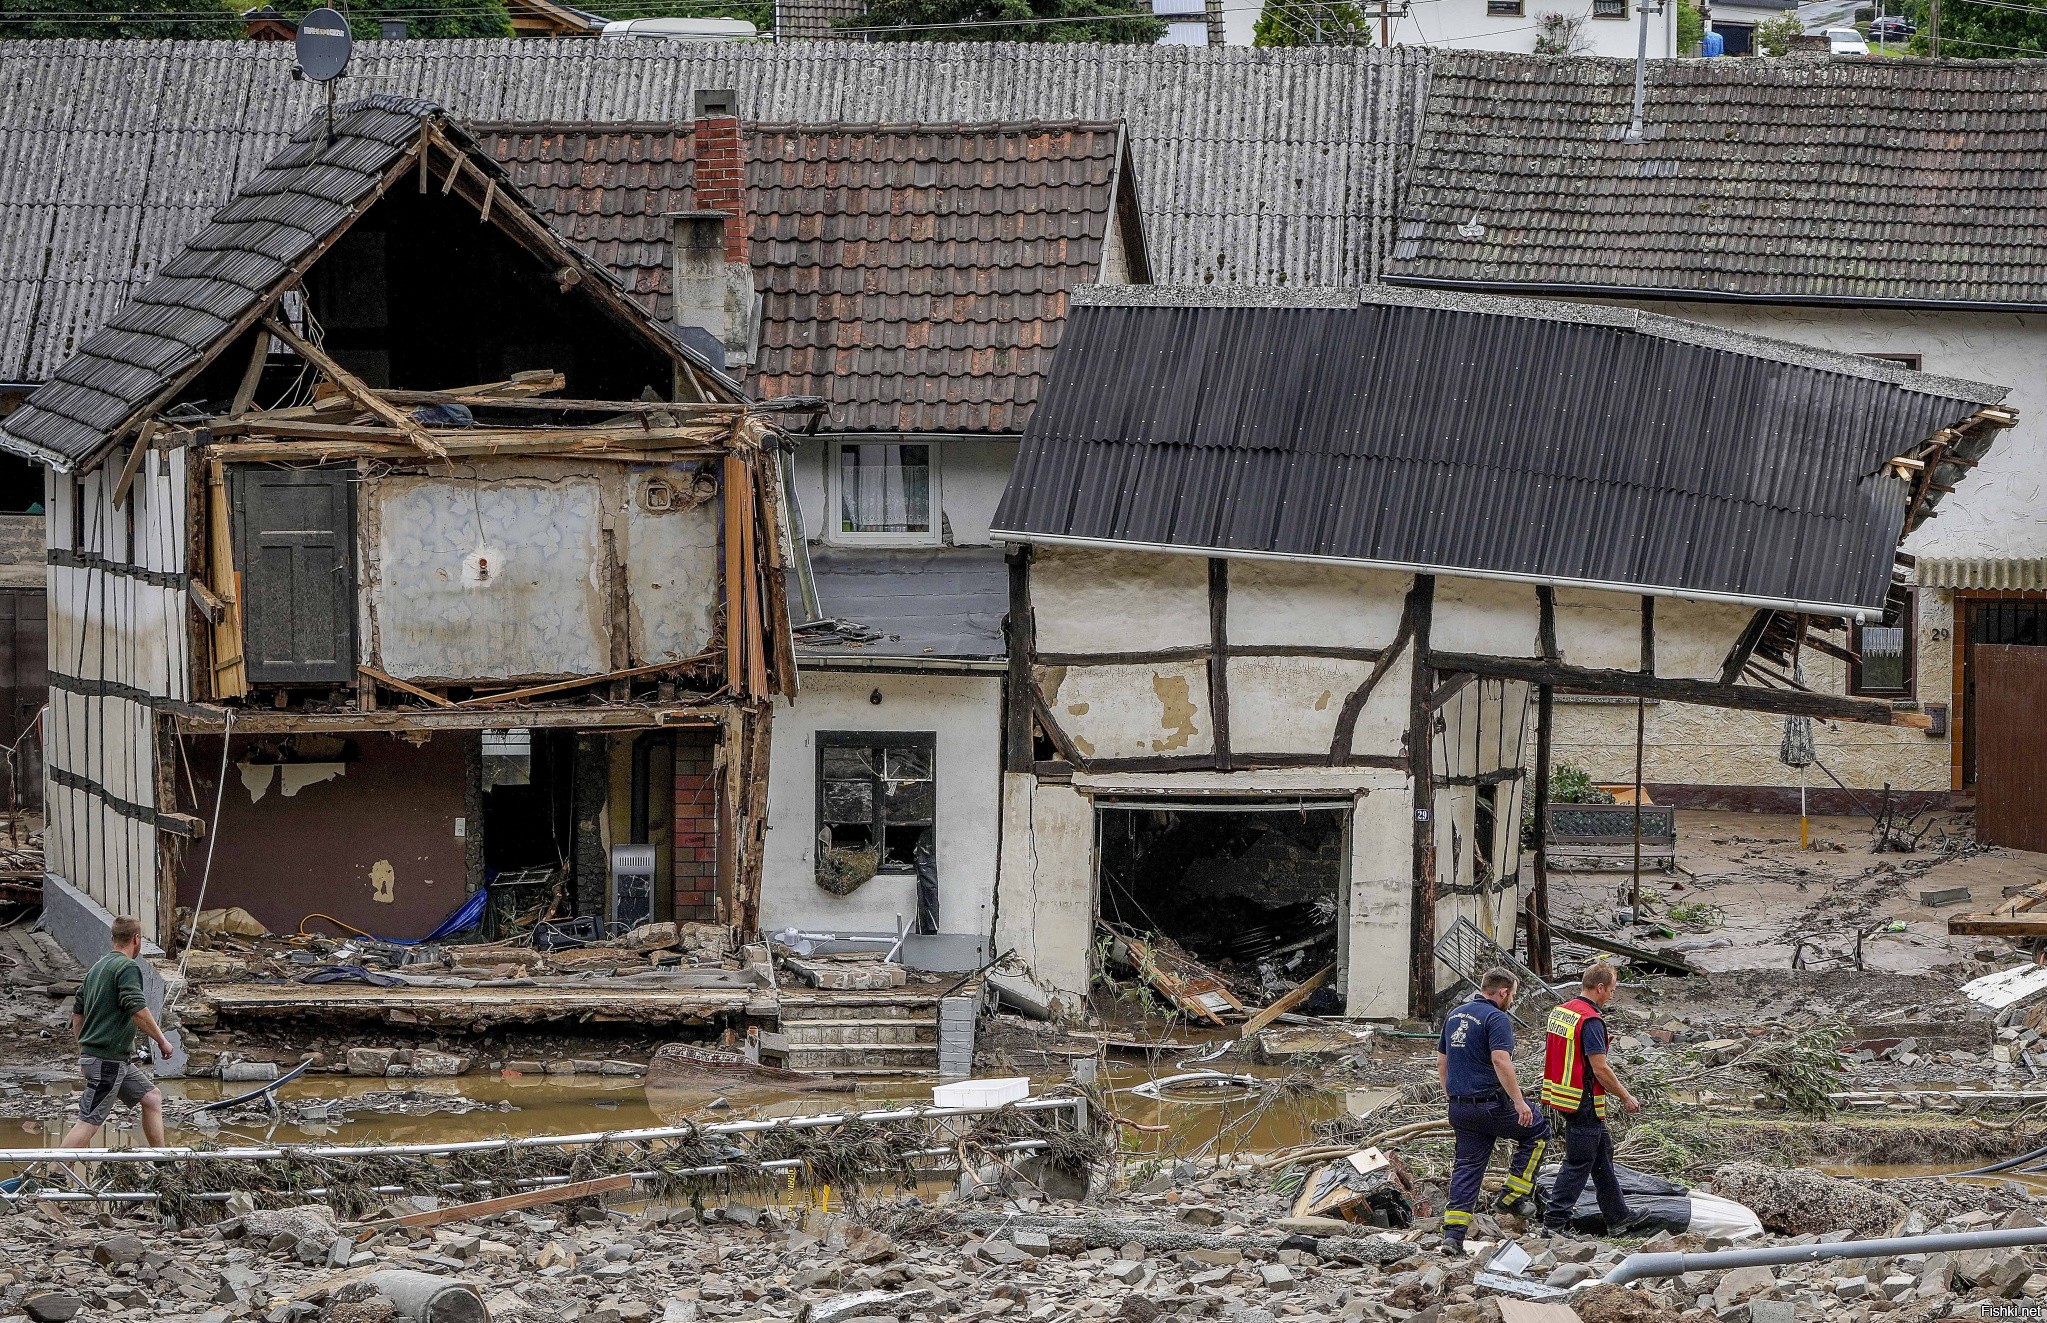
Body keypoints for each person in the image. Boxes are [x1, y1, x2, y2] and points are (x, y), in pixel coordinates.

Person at [1435, 967, 1550, 1255]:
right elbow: (1501, 1060)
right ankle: (1512, 1197)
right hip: (1491, 1105)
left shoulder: (1456, 1014)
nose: (1512, 999)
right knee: (1537, 1130)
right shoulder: (1496, 1018)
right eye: (1512, 994)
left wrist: (1451, 1095)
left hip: (1461, 1108)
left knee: (1467, 1167)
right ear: (1502, 992)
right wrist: (1519, 1101)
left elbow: (1441, 1061)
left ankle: (1453, 1237)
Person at [1539, 961, 1640, 1236]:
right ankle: (1554, 1223)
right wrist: (1625, 1096)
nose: (1611, 996)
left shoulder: (1562, 1012)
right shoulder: (1591, 1021)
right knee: (1578, 1162)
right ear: (1599, 987)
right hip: (1582, 1099)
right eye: (1611, 990)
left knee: (1602, 1154)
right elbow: (1600, 1068)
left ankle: (1618, 1217)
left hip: (1560, 1094)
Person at [58, 916, 173, 1149]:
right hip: (107, 1061)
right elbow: (137, 1010)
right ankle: (54, 1173)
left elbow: (77, 1013)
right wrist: (162, 1041)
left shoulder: (97, 968)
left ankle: (164, 1165)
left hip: (114, 1060)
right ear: (137, 939)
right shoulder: (127, 967)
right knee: (88, 1121)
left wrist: (84, 1049)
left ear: (113, 938)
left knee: (152, 1098)